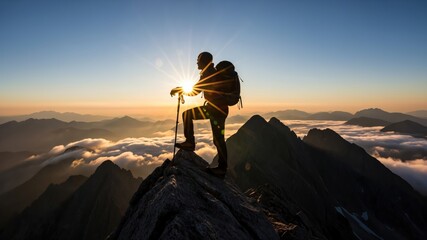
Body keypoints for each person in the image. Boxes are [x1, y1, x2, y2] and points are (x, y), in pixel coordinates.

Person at [170, 52, 228, 176]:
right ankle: (221, 167)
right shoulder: (210, 72)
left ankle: (190, 143)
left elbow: (195, 91)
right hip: (218, 109)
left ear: (204, 61)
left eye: (198, 60)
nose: (196, 62)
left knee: (188, 115)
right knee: (218, 139)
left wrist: (179, 89)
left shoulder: (208, 73)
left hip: (216, 110)